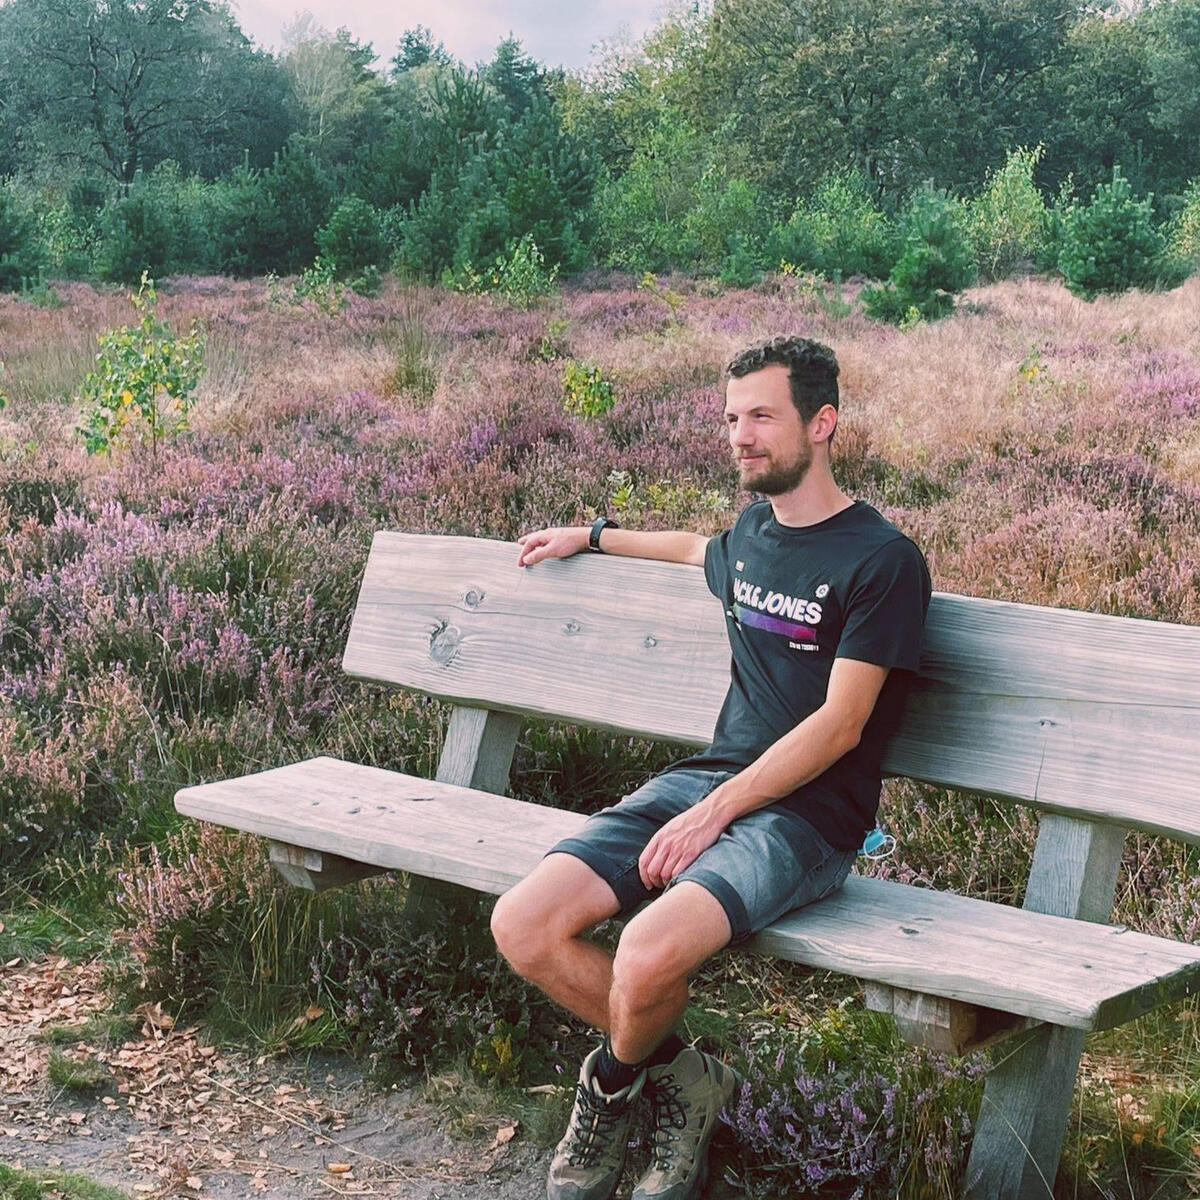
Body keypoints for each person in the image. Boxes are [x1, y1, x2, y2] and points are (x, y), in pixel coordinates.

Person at [490, 335, 932, 1200]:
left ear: (822, 423)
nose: (740, 437)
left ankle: (610, 1088)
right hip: (711, 781)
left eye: (762, 416)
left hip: (811, 819)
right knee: (524, 925)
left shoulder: (882, 561)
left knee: (646, 953)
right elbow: (697, 549)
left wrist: (718, 810)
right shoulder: (753, 534)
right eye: (731, 419)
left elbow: (842, 726)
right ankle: (688, 1079)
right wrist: (592, 535)